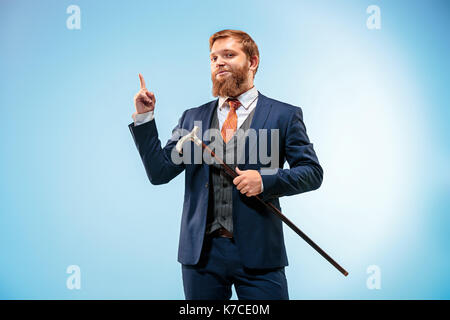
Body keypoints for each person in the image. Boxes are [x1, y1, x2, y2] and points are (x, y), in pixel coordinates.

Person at [128, 29, 323, 300]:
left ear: (252, 62)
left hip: (260, 255)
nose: (219, 62)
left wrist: (265, 180)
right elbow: (160, 172)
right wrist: (144, 118)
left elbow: (312, 173)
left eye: (229, 55)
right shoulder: (191, 118)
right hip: (201, 257)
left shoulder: (284, 115)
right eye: (213, 58)